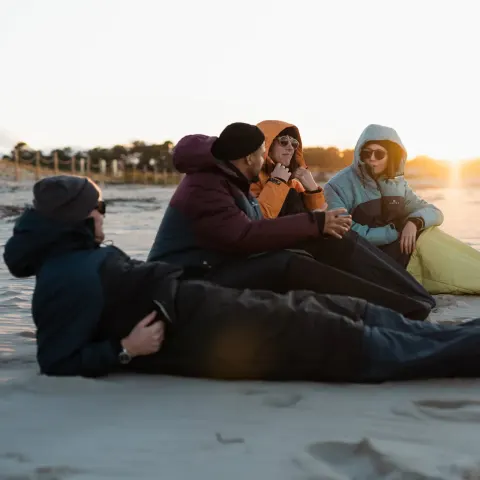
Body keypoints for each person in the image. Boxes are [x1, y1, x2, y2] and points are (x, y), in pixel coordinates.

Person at [5, 175, 480, 382]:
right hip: (224, 335)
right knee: (360, 339)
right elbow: (56, 359)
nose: (104, 215)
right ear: (76, 219)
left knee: (354, 313)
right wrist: (126, 350)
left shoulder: (76, 258)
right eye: (99, 208)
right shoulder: (63, 280)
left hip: (220, 309)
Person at [147, 122, 434, 320]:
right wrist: (313, 222)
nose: (265, 158)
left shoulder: (230, 178)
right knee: (289, 263)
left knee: (328, 237)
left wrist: (316, 220)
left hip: (221, 264)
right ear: (249, 158)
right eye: (263, 152)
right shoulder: (205, 186)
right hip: (188, 281)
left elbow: (255, 222)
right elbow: (243, 235)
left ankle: (414, 297)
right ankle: (399, 308)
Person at [252, 120, 436, 304]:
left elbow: (319, 214)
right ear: (266, 144)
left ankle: (415, 296)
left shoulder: (294, 180)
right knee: (346, 246)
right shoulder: (253, 180)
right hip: (285, 254)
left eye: (294, 144)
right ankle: (409, 301)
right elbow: (257, 222)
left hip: (313, 246)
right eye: (283, 141)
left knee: (351, 243)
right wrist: (276, 182)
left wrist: (312, 189)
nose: (290, 148)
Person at [324, 124, 480, 294]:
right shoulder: (337, 186)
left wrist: (414, 222)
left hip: (405, 251)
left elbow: (434, 212)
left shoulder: (396, 185)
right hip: (373, 261)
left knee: (432, 235)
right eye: (366, 153)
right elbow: (342, 231)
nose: (372, 158)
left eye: (379, 153)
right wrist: (392, 234)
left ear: (392, 156)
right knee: (450, 269)